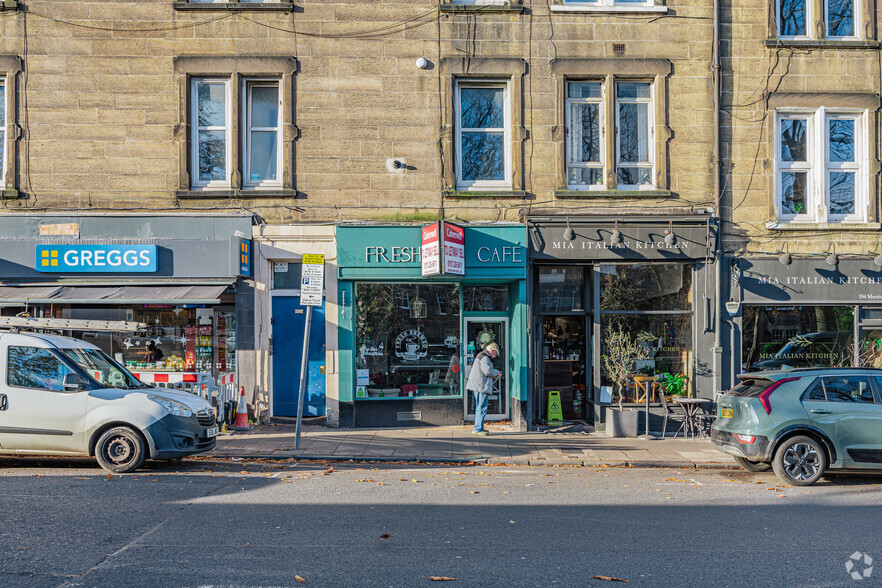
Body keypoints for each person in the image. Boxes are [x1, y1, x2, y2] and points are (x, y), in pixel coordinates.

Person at [465, 342, 501, 436]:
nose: (495, 356)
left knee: (479, 407)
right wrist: (497, 372)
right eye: (495, 353)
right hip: (481, 386)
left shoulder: (482, 355)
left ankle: (479, 427)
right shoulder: (485, 357)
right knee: (482, 408)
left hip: (478, 385)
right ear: (492, 350)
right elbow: (487, 371)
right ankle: (478, 429)